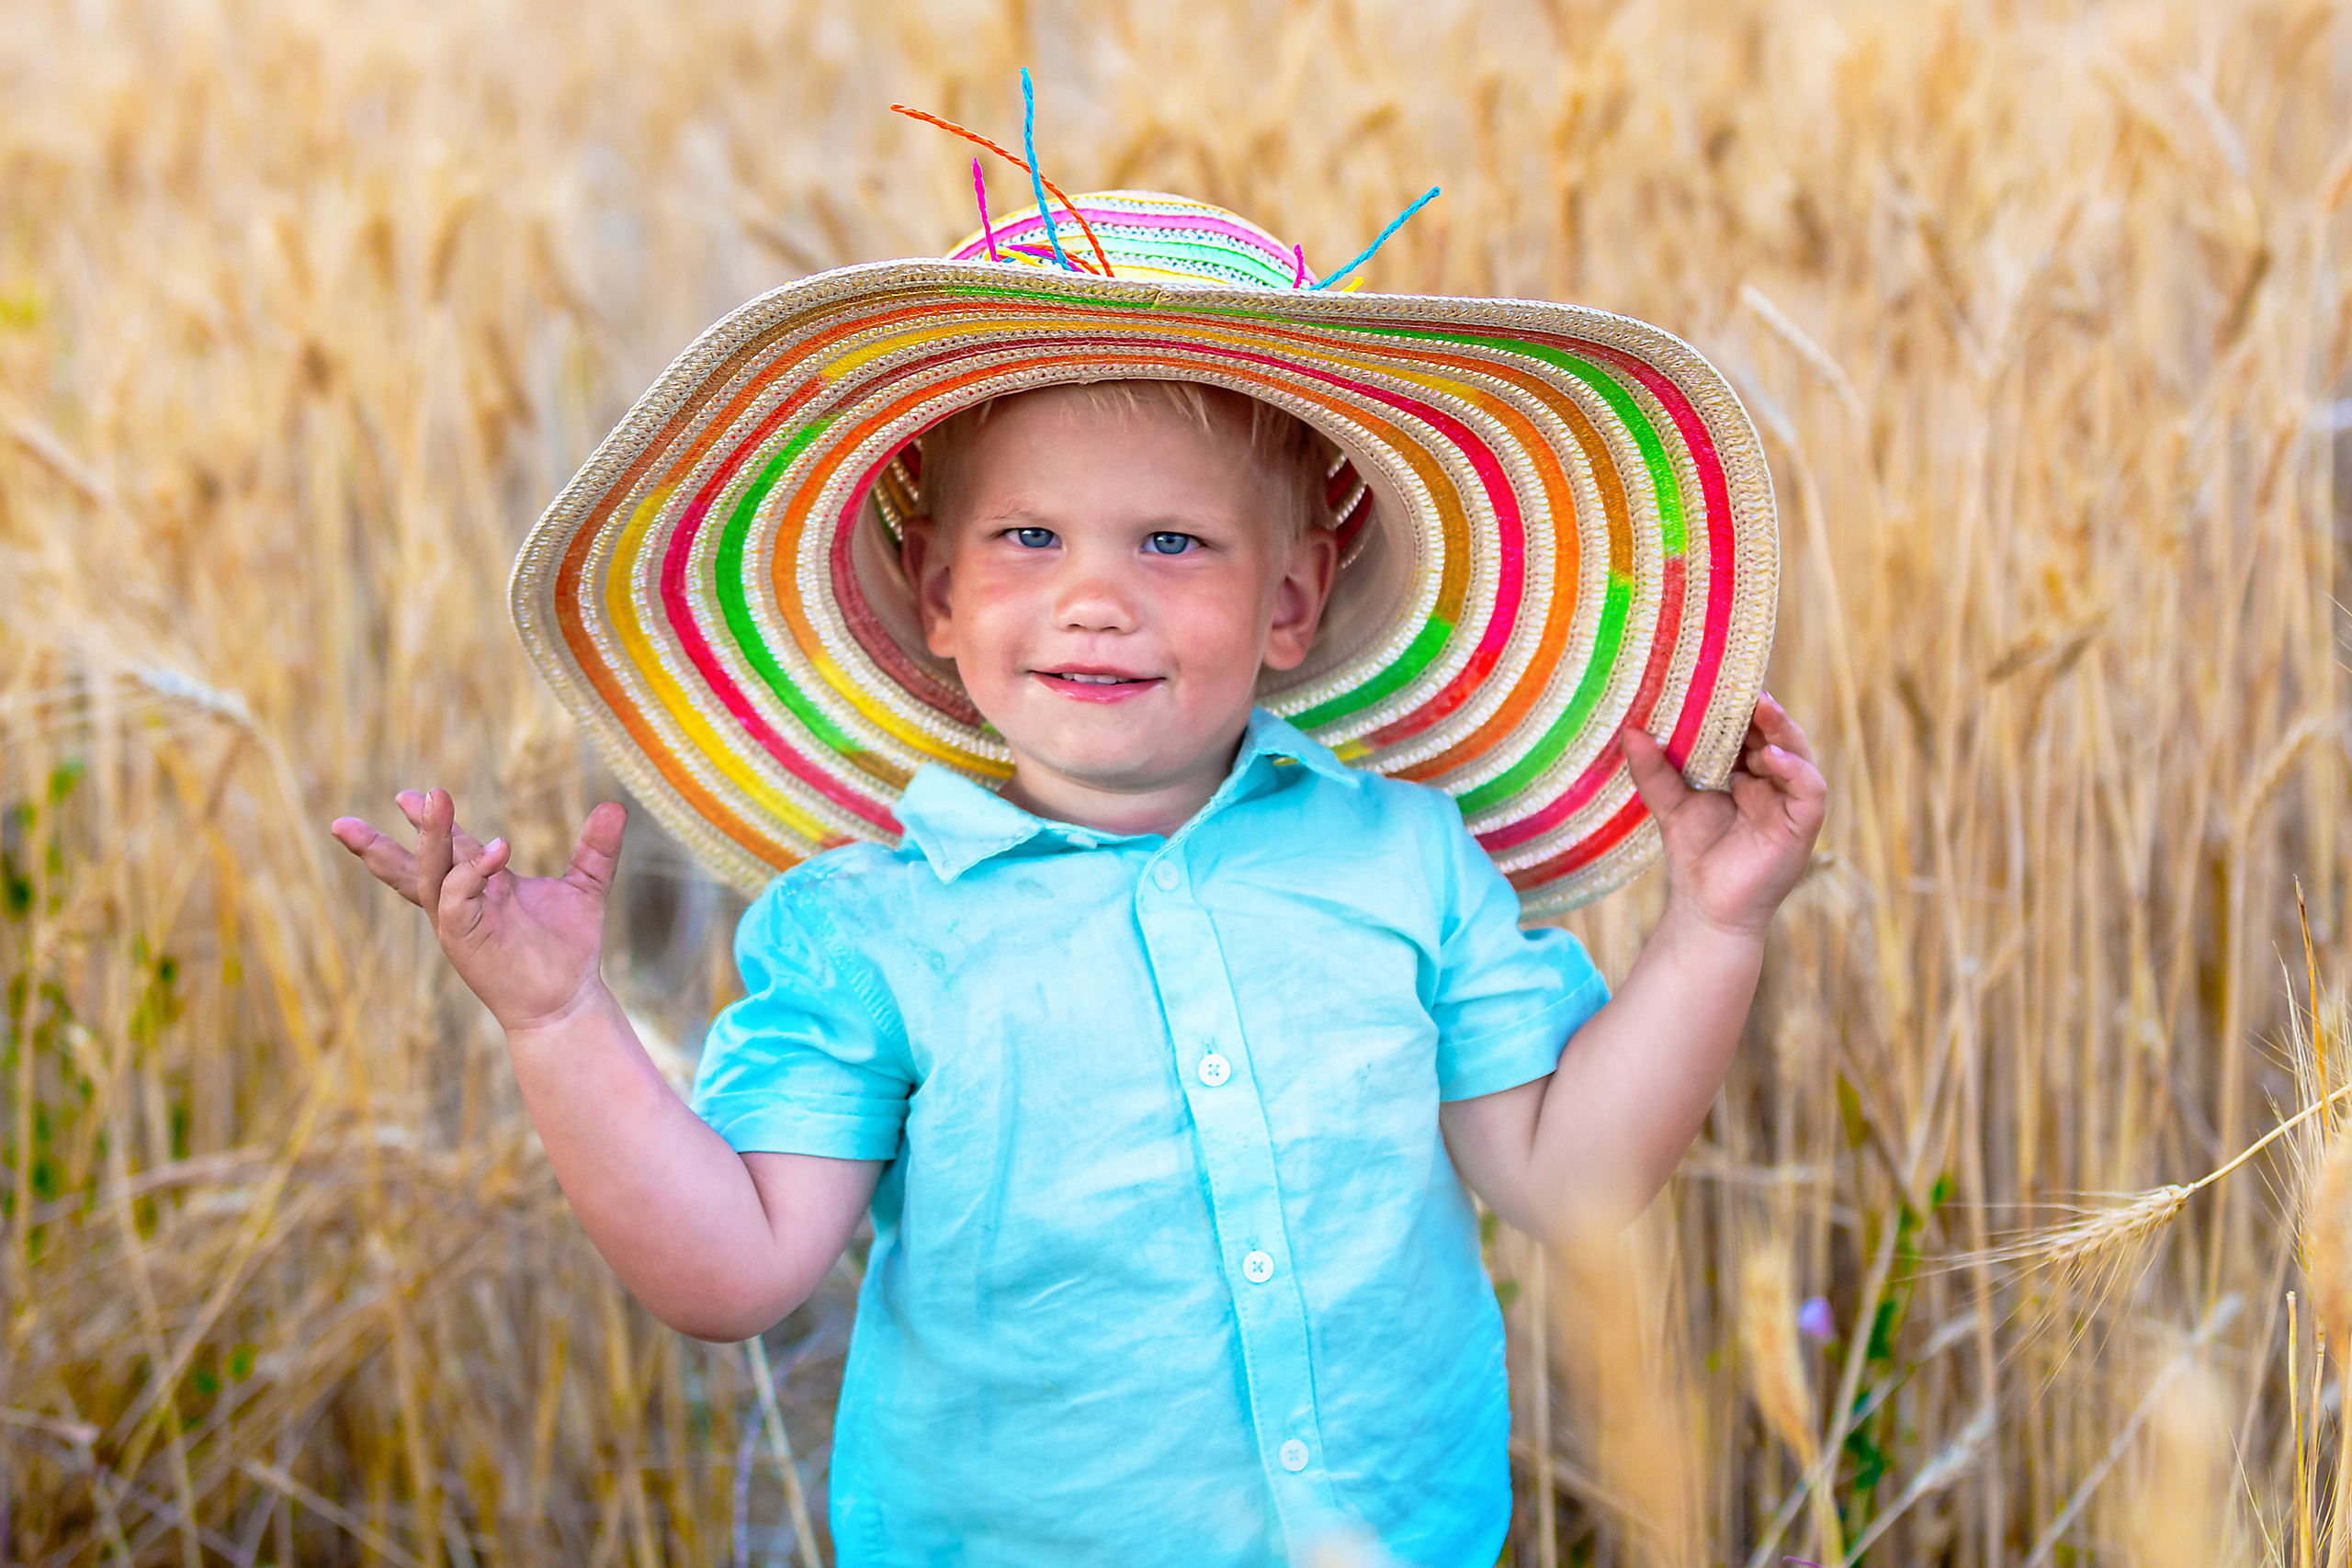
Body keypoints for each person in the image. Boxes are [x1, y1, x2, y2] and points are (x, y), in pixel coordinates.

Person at [332, 187, 1824, 1564]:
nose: (1095, 597)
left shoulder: (1405, 859)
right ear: (938, 600)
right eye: (1028, 538)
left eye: (1173, 542)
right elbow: (737, 1276)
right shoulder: (875, 932)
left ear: (1291, 600)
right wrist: (556, 1022)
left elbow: (1568, 1180)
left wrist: (1714, 928)